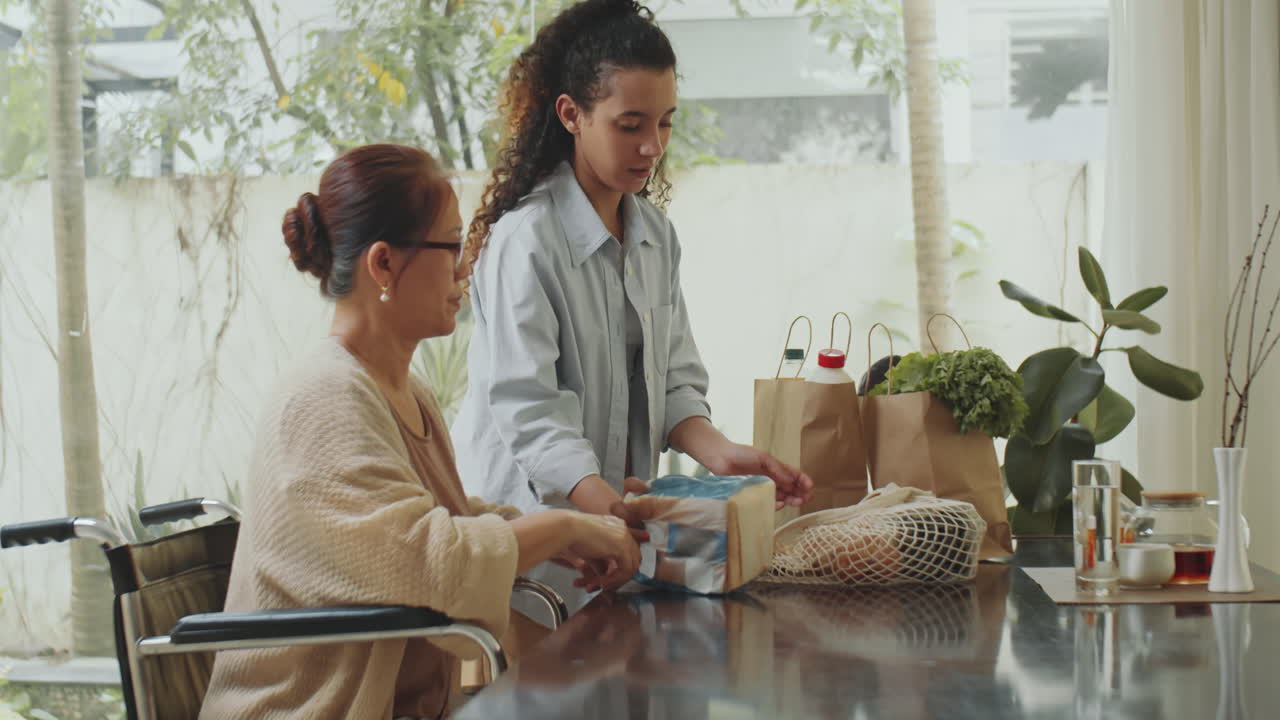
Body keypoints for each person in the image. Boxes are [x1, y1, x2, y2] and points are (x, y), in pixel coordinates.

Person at [199, 144, 640, 720]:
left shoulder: (403, 391)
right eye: (453, 246)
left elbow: (445, 523)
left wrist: (574, 531)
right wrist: (561, 526)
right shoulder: (322, 397)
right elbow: (431, 563)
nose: (467, 268)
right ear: (382, 265)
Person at [452, 0, 814, 614]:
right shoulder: (526, 240)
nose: (652, 146)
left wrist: (721, 456)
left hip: (614, 539)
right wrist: (615, 513)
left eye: (666, 123)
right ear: (571, 114)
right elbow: (531, 413)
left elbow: (673, 379)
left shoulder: (653, 235)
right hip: (534, 541)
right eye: (630, 125)